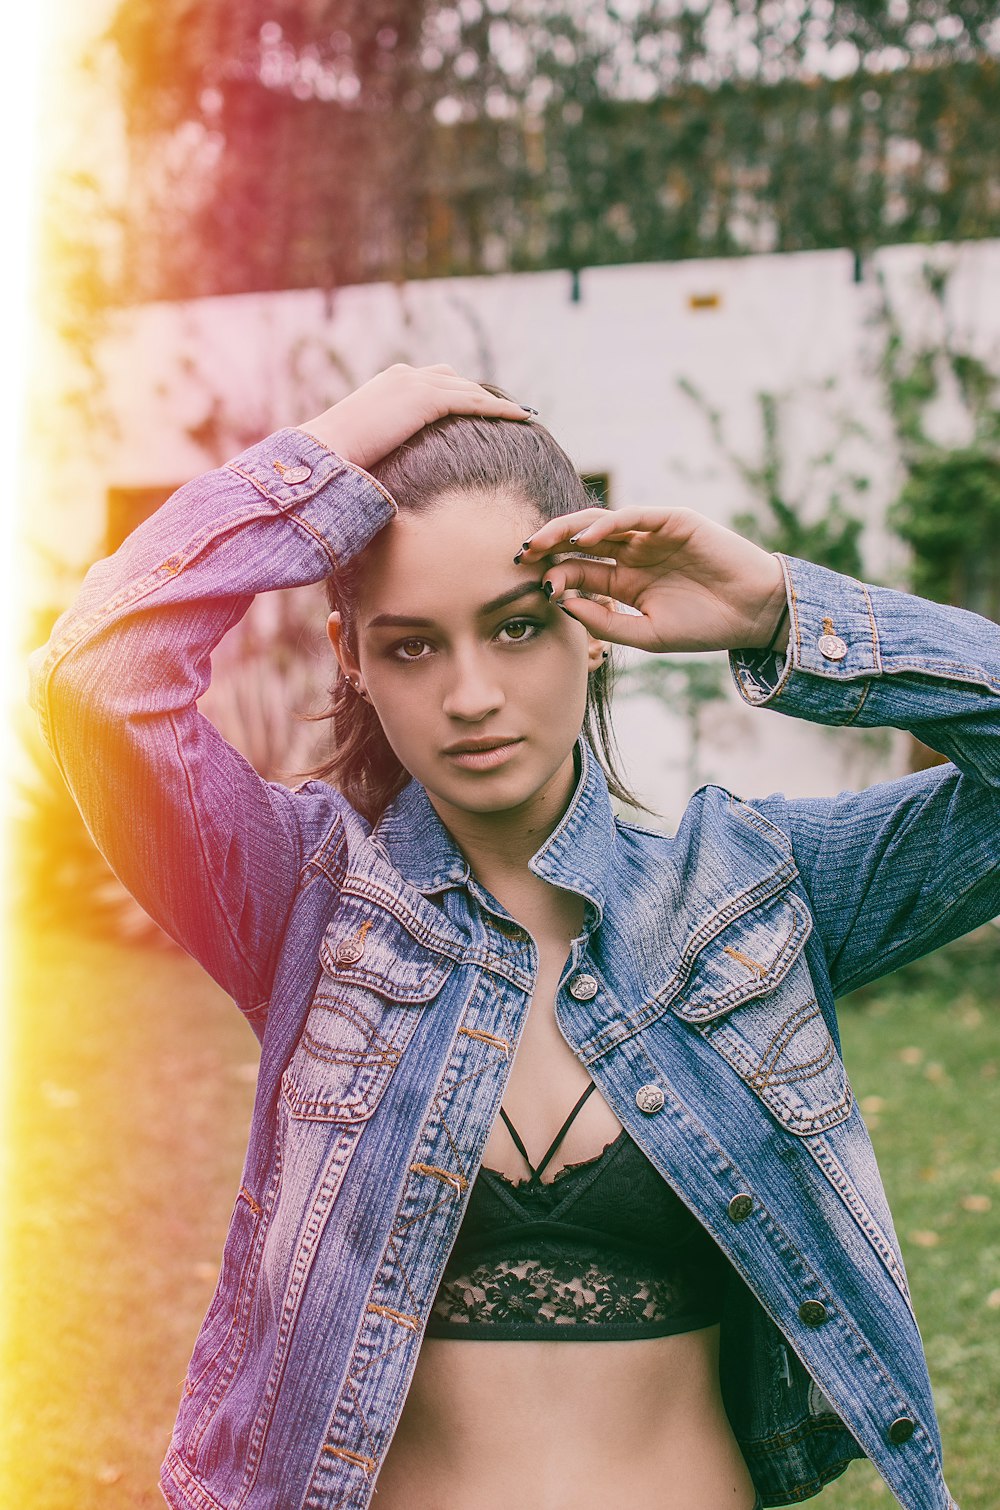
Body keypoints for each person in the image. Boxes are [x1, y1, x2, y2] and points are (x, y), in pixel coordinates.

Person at [28, 362, 996, 1510]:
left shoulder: (756, 890)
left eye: (516, 625)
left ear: (591, 628)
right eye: (412, 645)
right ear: (350, 657)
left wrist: (778, 607)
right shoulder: (301, 898)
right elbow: (95, 678)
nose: (472, 693)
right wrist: (328, 450)